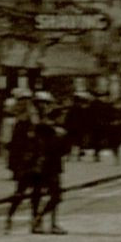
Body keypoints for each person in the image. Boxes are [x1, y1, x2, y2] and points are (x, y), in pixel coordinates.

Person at [4, 94, 43, 234]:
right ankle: (10, 217)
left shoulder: (34, 122)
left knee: (36, 193)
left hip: (35, 161)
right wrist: (16, 166)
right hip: (25, 163)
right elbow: (14, 146)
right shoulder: (20, 124)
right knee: (20, 193)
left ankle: (34, 221)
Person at [31, 91, 69, 234]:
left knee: (51, 195)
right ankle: (39, 221)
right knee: (48, 195)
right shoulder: (42, 124)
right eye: (41, 104)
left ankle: (45, 222)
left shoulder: (45, 124)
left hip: (49, 163)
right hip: (45, 164)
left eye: (46, 104)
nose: (43, 106)